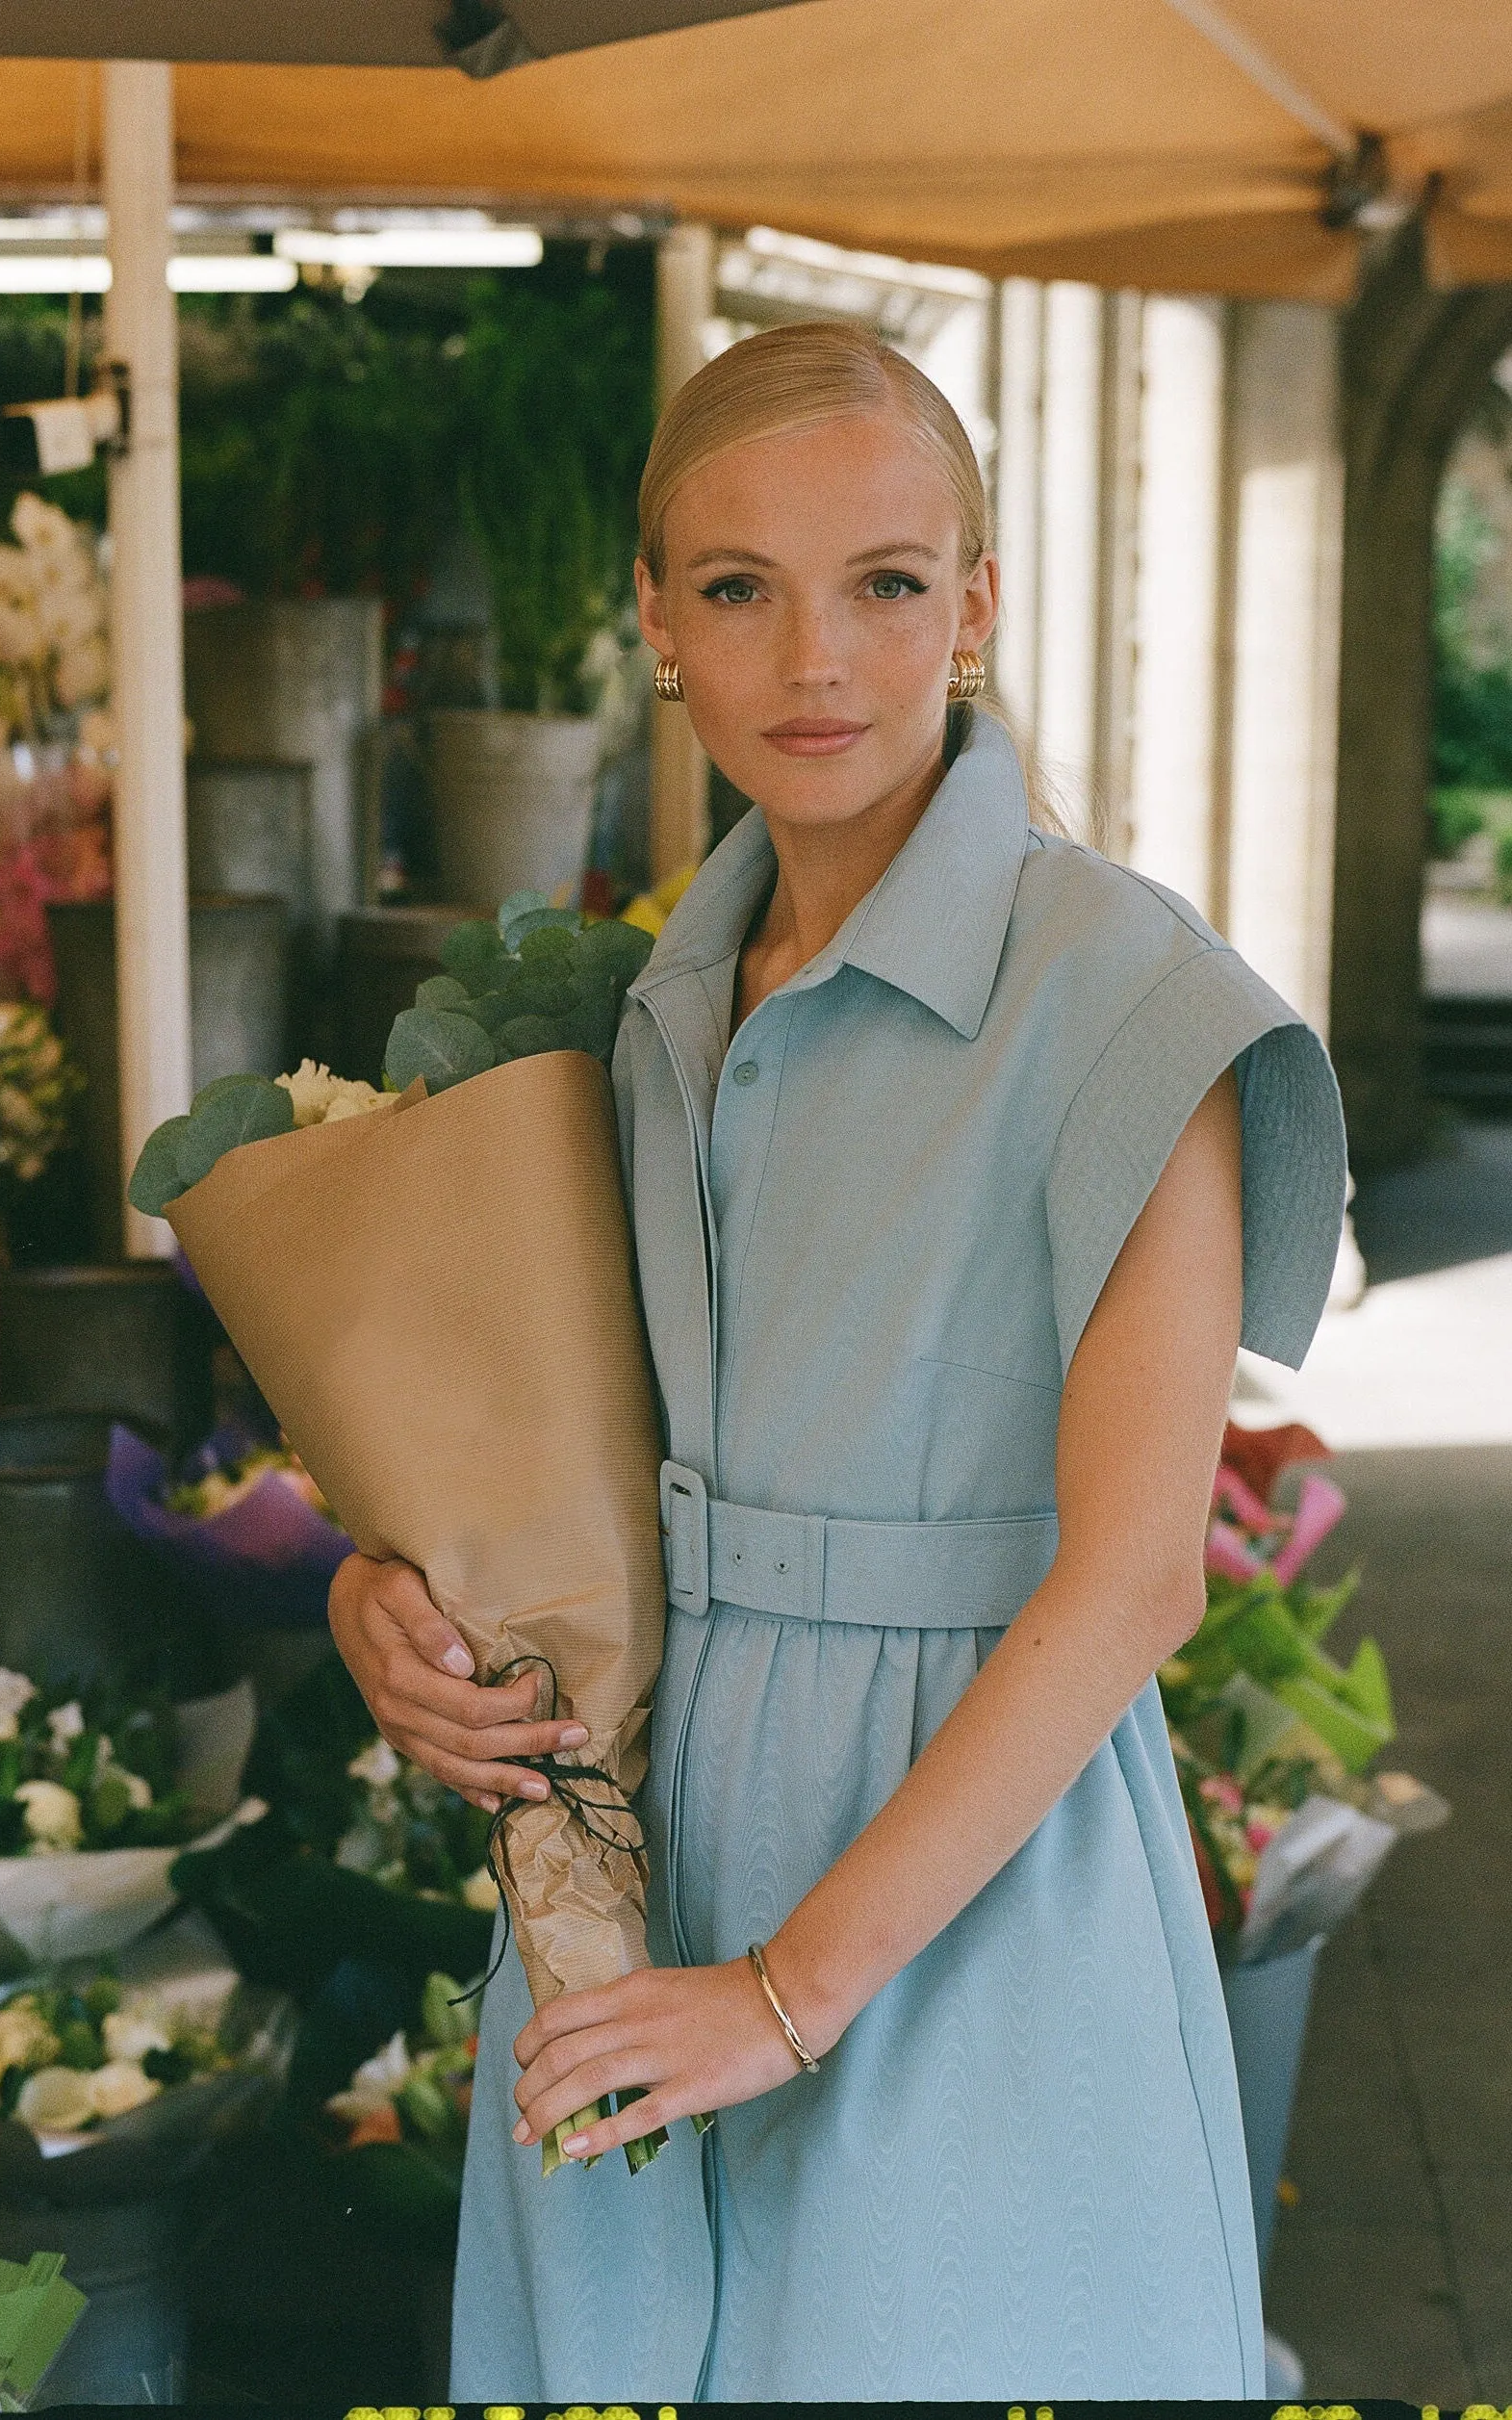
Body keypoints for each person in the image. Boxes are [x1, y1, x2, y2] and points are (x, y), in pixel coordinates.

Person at [328, 322, 1346, 2400]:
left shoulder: (1129, 999)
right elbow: (557, 1455)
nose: (815, 658)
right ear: (656, 624)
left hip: (965, 1921)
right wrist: (395, 1600)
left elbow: (1138, 1579)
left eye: (884, 582)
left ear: (972, 609)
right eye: (737, 588)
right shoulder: (636, 1017)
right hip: (627, 1868)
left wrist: (783, 1997)